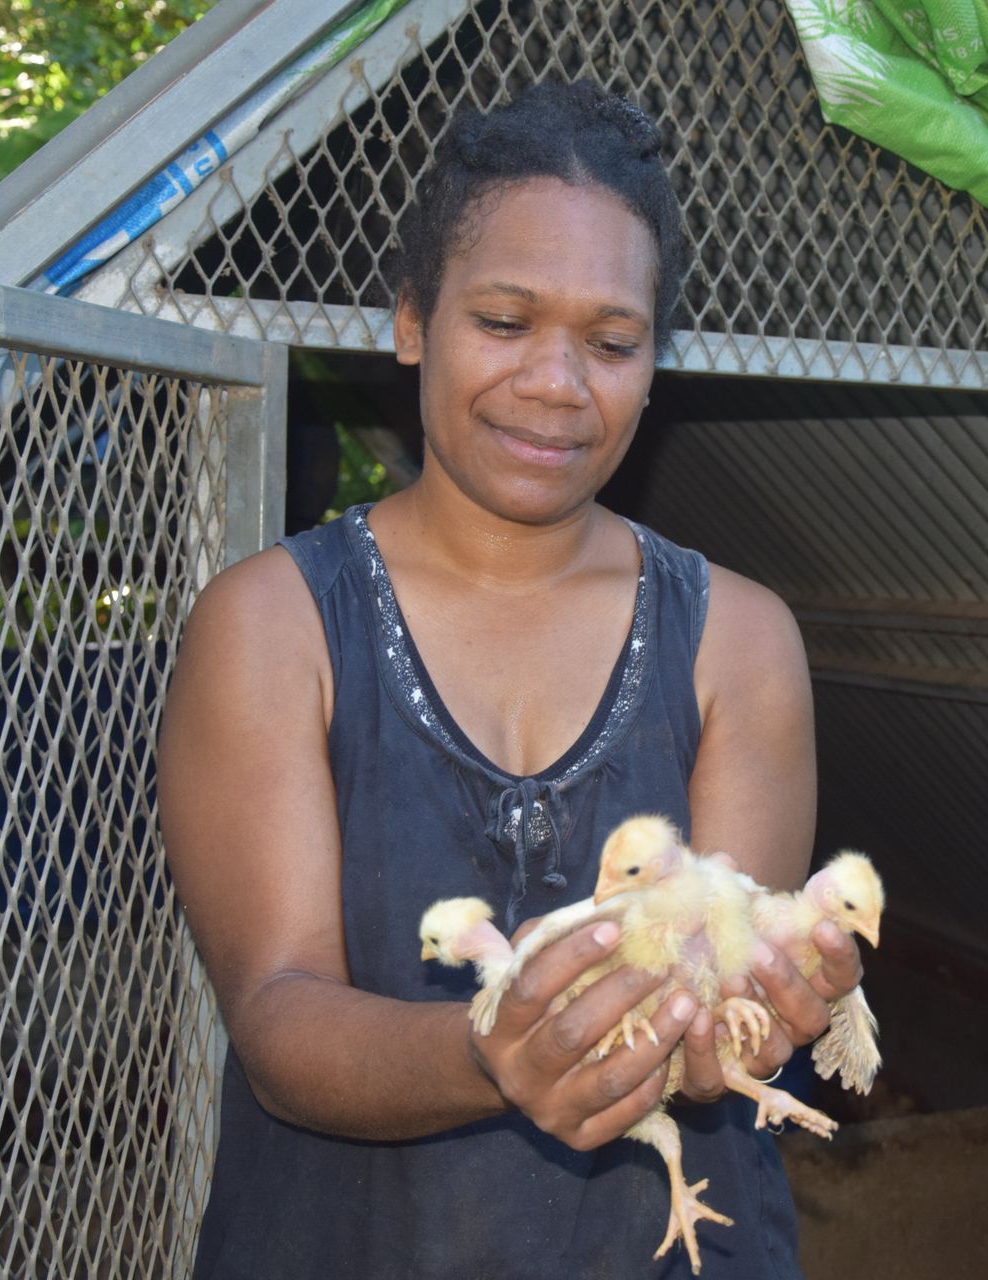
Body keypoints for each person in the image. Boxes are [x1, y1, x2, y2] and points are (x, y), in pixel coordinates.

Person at [157, 81, 865, 1278]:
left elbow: (720, 1006)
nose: (557, 381)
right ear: (410, 320)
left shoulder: (737, 638)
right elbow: (279, 1006)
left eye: (611, 342)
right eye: (503, 320)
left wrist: (744, 1016)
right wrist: (492, 1048)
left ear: (654, 362)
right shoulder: (274, 624)